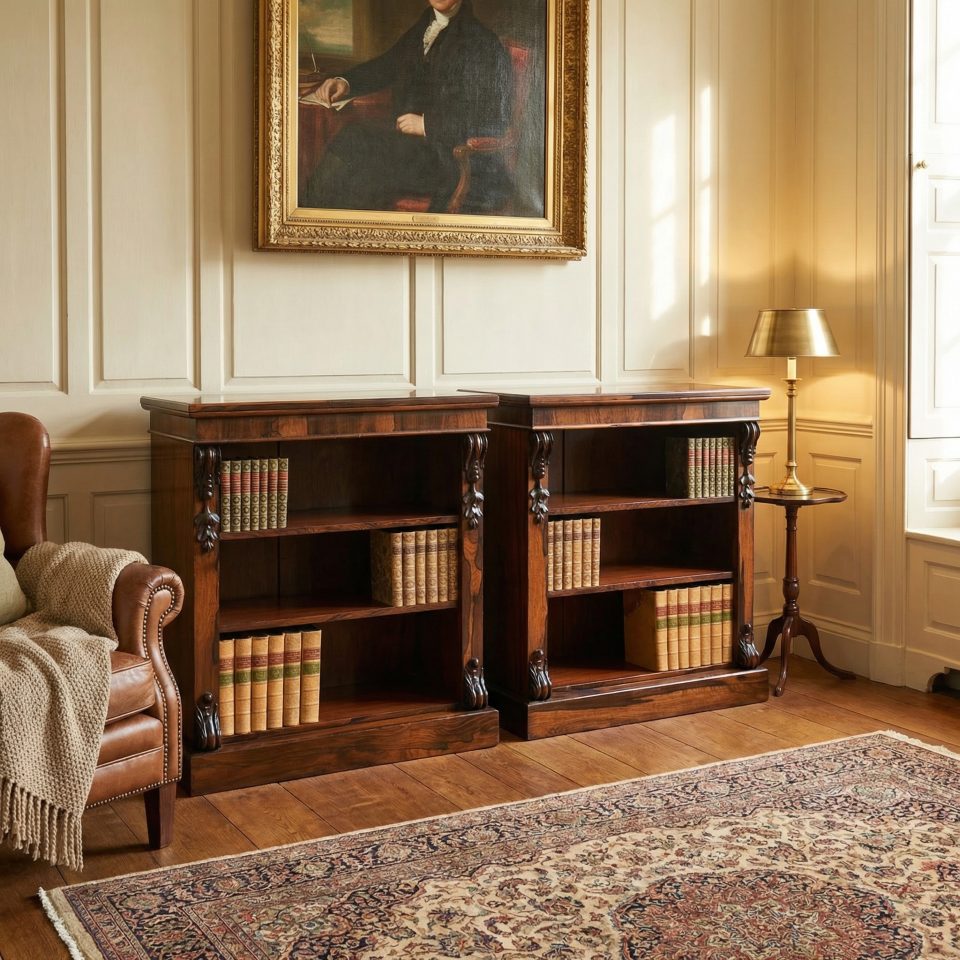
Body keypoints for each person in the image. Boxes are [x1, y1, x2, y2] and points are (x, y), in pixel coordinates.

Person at [301, 0, 513, 214]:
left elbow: (493, 117)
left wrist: (427, 124)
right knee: (353, 148)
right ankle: (312, 220)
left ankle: (309, 219)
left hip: (448, 159)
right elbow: (388, 64)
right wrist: (345, 82)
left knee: (356, 144)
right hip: (414, 149)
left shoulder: (481, 41)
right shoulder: (426, 23)